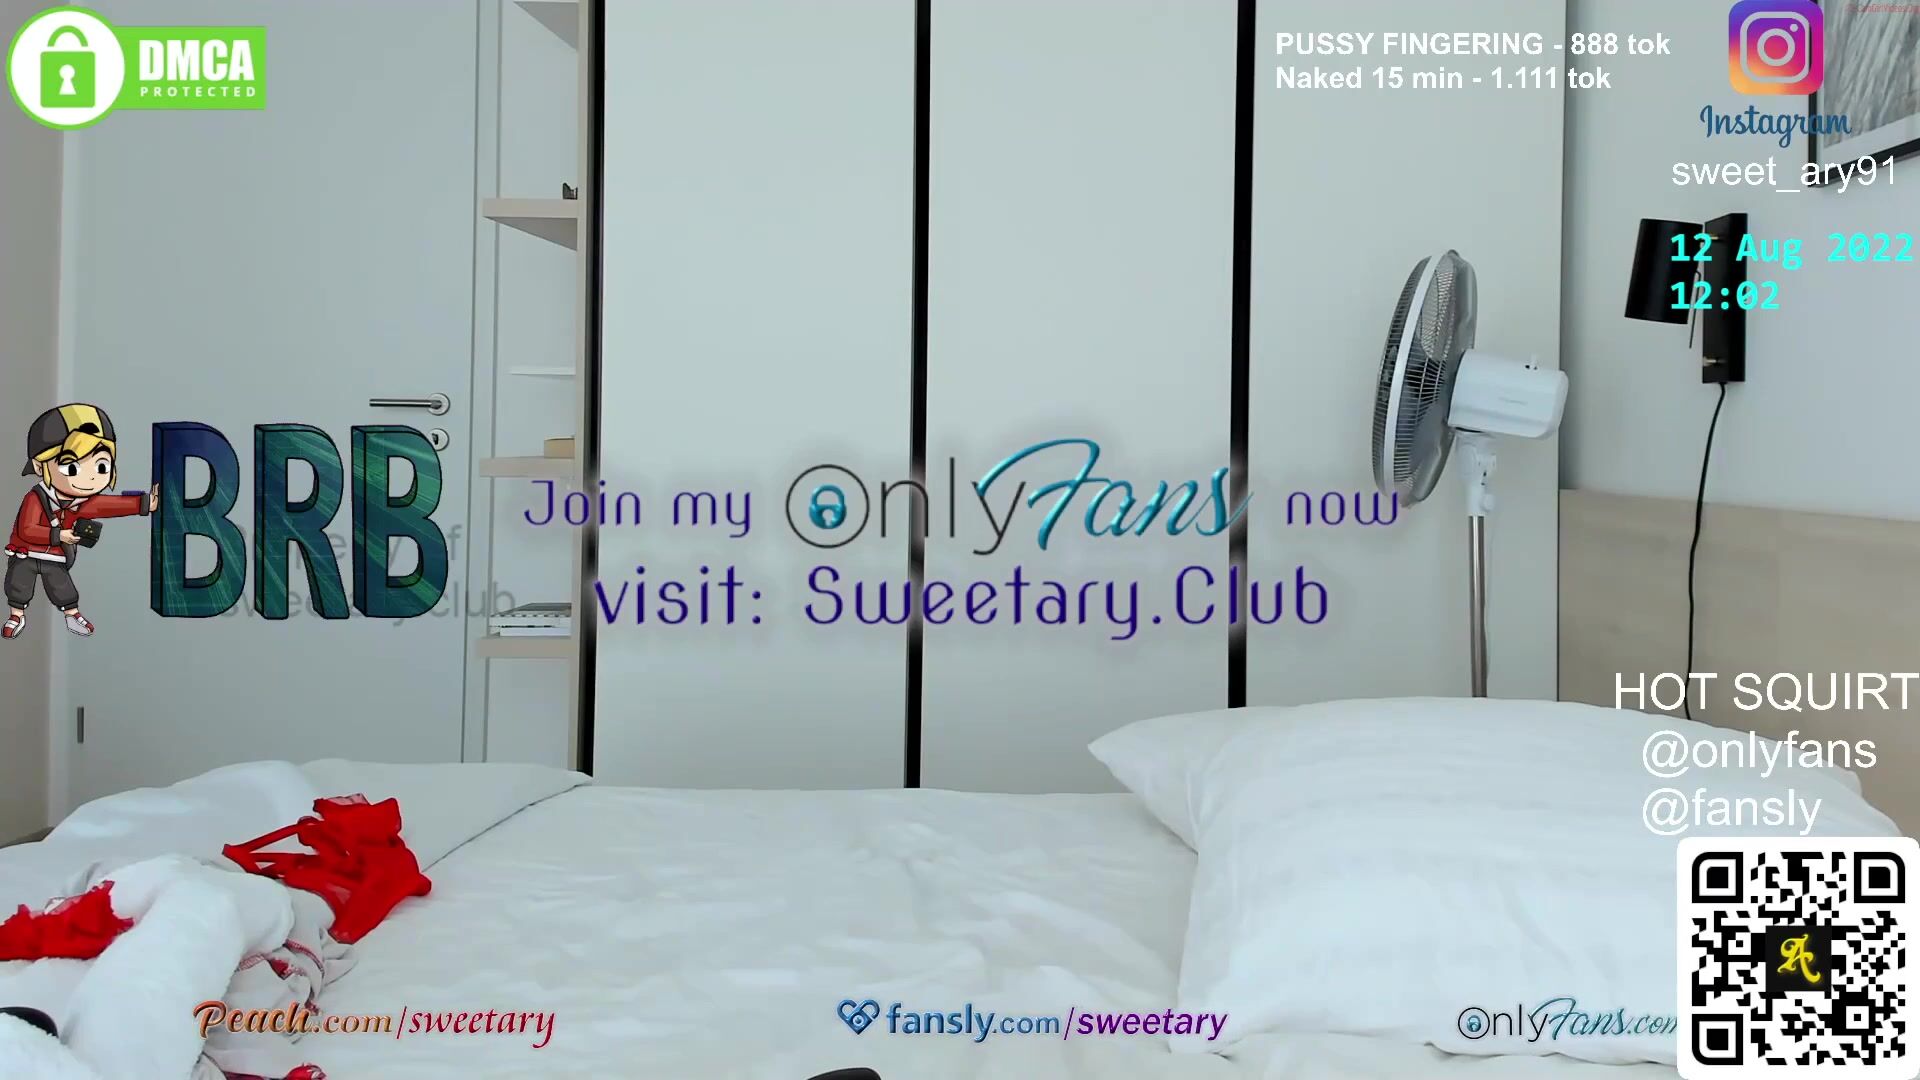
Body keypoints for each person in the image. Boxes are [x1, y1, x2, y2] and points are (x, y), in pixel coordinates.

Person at [3, 405, 157, 639]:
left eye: (101, 466)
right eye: (72, 466)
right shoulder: (36, 498)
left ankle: (72, 614)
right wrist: (59, 536)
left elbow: (109, 504)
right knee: (18, 584)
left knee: (61, 586)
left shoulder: (82, 502)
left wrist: (144, 503)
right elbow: (27, 529)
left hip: (55, 556)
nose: (91, 477)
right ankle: (16, 615)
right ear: (39, 466)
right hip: (25, 552)